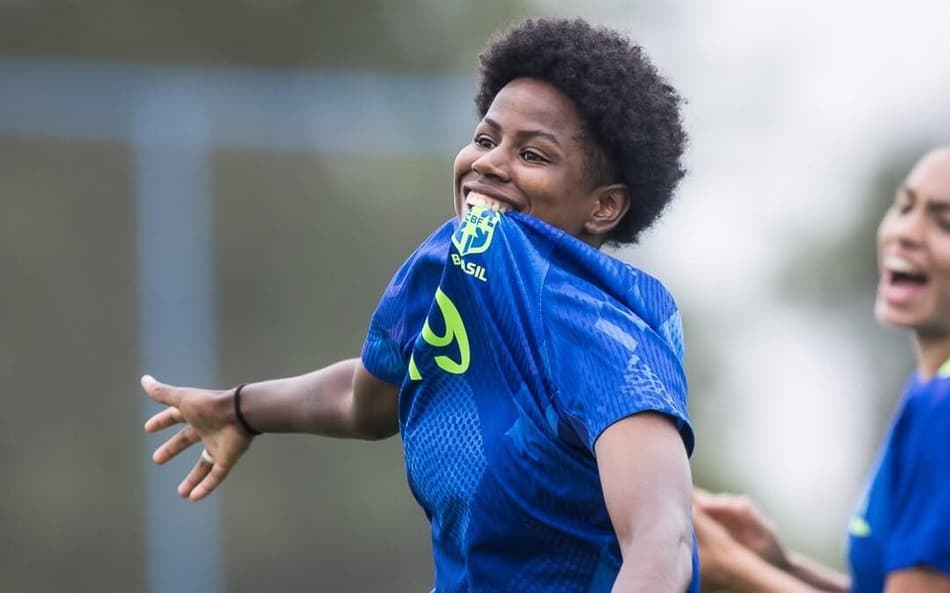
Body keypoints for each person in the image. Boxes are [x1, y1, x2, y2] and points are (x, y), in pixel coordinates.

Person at [142, 17, 698, 593]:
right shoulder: (451, 268)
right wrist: (240, 409)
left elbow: (662, 541)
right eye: (485, 139)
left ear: (604, 207)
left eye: (532, 155)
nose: (488, 163)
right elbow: (365, 397)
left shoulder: (609, 340)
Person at [692, 147, 950, 593]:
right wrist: (780, 565)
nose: (907, 232)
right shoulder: (925, 392)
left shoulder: (942, 408)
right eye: (905, 206)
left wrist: (734, 569)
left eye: (944, 223)